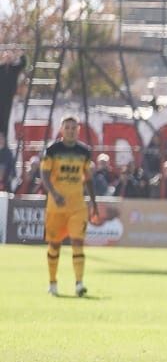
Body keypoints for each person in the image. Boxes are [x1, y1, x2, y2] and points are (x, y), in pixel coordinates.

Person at [40, 115, 97, 296]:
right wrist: (54, 193)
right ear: (61, 130)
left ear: (78, 130)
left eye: (74, 128)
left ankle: (79, 284)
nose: (71, 131)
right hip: (56, 206)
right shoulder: (52, 150)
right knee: (54, 245)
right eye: (67, 128)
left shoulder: (84, 152)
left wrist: (94, 203)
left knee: (78, 242)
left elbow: (88, 179)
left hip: (77, 206)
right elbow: (44, 174)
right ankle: (52, 283)